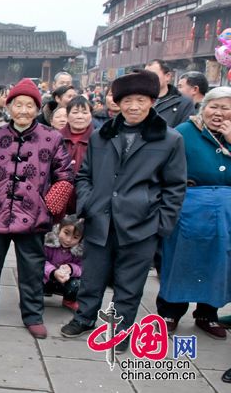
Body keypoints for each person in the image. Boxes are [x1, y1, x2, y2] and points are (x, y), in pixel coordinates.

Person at [61, 70, 187, 353]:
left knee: (130, 284)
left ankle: (120, 329)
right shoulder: (101, 135)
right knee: (92, 276)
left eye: (140, 100)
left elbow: (175, 187)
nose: (133, 106)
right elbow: (84, 176)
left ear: (152, 101)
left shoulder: (170, 139)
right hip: (100, 219)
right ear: (117, 102)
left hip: (142, 223)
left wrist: (161, 225)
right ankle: (84, 317)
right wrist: (88, 204)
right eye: (127, 100)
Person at [0, 78, 74, 339]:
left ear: (37, 108)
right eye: (18, 105)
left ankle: (33, 315)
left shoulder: (51, 138)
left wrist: (49, 206)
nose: (23, 110)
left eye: (29, 105)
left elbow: (66, 176)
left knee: (32, 269)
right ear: (9, 106)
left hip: (33, 216)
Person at [156, 86, 231, 340]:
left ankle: (207, 314)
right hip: (189, 210)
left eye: (226, 108)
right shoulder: (185, 132)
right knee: (180, 260)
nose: (219, 113)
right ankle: (170, 312)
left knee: (219, 263)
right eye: (214, 106)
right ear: (203, 107)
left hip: (226, 214)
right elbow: (164, 166)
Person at [43, 215, 84, 312]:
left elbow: (83, 268)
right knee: (33, 276)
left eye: (75, 237)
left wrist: (71, 268)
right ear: (59, 229)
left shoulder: (79, 251)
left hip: (66, 281)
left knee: (78, 284)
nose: (69, 240)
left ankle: (69, 300)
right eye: (66, 233)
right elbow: (40, 261)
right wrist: (53, 271)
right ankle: (34, 297)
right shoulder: (48, 244)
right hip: (46, 278)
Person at [60, 96, 94, 215]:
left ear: (91, 115)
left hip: (87, 201)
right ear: (67, 116)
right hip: (58, 202)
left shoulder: (99, 139)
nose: (80, 116)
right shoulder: (55, 138)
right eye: (75, 112)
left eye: (85, 112)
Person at [145, 59, 193, 127]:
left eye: (153, 75)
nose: (148, 79)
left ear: (167, 76)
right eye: (145, 75)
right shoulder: (139, 100)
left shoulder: (183, 103)